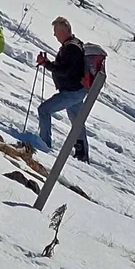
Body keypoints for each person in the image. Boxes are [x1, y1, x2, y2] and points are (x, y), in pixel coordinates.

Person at [35, 17, 92, 162]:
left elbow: (63, 70)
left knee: (44, 110)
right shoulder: (75, 44)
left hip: (71, 92)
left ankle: (44, 144)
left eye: (55, 31)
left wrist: (46, 63)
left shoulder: (71, 48)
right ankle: (82, 154)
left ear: (62, 31)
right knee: (77, 122)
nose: (54, 35)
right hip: (77, 90)